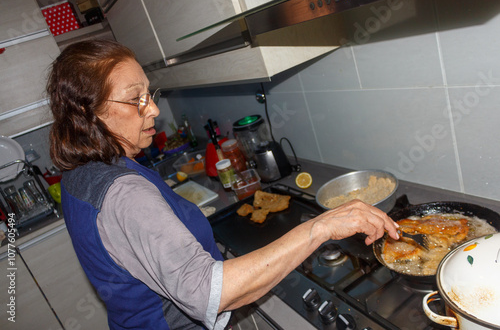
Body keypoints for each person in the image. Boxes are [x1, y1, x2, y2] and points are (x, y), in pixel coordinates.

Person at [47, 39, 399, 330]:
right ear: (88, 112)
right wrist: (320, 227)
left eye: (149, 94)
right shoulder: (124, 193)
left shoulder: (80, 175)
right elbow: (211, 293)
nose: (153, 109)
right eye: (135, 98)